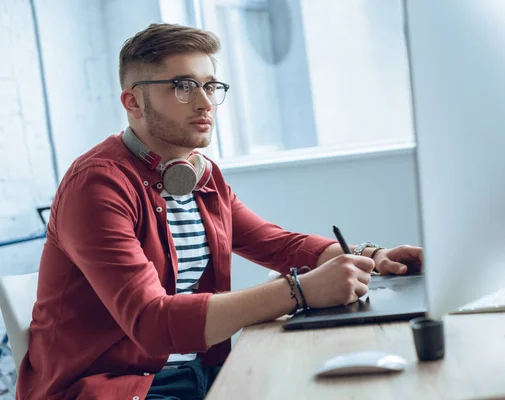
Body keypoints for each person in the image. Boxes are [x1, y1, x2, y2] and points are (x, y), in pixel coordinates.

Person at [16, 23, 423, 400]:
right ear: (133, 102)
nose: (204, 102)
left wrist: (373, 256)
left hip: (197, 375)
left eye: (211, 86)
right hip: (109, 390)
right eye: (182, 86)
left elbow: (277, 244)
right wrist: (299, 291)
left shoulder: (200, 174)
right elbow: (153, 324)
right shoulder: (97, 185)